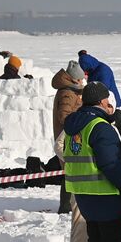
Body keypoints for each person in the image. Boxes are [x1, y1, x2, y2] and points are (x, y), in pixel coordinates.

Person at [62, 81, 121, 242]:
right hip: (106, 195)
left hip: (83, 195)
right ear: (103, 101)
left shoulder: (73, 128)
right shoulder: (100, 127)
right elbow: (110, 164)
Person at [50, 60, 86, 214]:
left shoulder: (71, 90)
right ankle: (66, 206)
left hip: (70, 137)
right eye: (80, 79)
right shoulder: (68, 93)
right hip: (68, 138)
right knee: (70, 172)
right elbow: (64, 116)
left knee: (71, 172)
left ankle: (70, 203)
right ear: (74, 79)